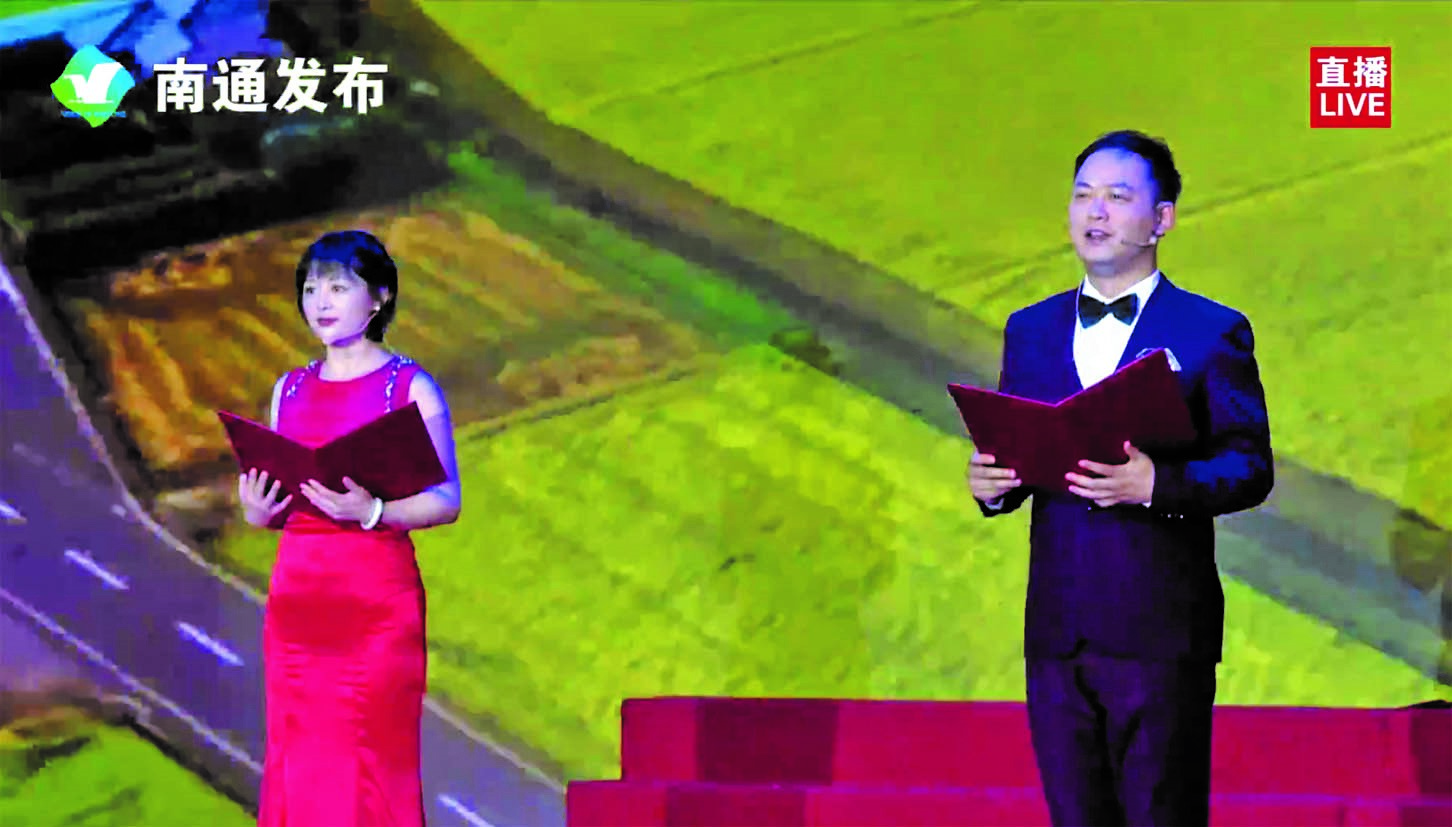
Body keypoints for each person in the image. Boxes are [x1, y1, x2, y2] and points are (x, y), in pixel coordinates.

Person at [968, 130, 1274, 827]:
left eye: (1116, 196)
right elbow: (1025, 446)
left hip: (1159, 633)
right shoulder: (1030, 329)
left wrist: (1157, 485)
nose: (1095, 212)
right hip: (1058, 633)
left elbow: (1250, 467)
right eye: (1083, 195)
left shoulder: (1210, 331)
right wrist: (995, 484)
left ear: (1162, 218)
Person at [236, 230, 462, 827]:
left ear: (379, 297)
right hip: (298, 606)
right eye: (311, 289)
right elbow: (286, 495)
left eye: (338, 288)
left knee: (371, 757)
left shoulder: (408, 387)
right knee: (298, 757)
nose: (321, 302)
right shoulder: (288, 389)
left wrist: (374, 512)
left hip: (374, 607)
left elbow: (447, 499)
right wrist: (259, 511)